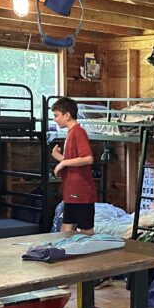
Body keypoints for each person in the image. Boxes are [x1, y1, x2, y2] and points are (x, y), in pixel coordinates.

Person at [51, 96, 96, 234]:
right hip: (71, 192)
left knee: (86, 231)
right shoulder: (71, 133)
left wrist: (63, 162)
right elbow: (74, 161)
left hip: (81, 193)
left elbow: (88, 158)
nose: (55, 119)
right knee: (65, 229)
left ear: (67, 115)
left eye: (56, 115)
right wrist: (57, 156)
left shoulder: (78, 132)